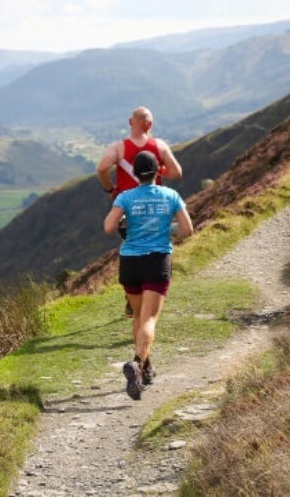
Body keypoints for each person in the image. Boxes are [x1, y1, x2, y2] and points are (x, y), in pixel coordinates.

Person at [103, 150, 193, 400]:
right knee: (149, 319)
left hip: (130, 261)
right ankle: (136, 363)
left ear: (134, 173)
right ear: (158, 171)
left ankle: (145, 367)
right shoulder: (171, 195)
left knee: (138, 317)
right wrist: (166, 226)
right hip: (157, 260)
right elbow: (188, 230)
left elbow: (109, 227)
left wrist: (130, 223)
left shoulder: (125, 197)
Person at [97, 106, 183, 317]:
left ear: (130, 122)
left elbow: (102, 168)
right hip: (156, 210)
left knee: (132, 246)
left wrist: (111, 189)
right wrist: (156, 169)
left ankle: (133, 296)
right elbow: (176, 172)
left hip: (128, 212)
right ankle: (149, 294)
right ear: (150, 125)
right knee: (155, 247)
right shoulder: (159, 146)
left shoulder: (118, 147)